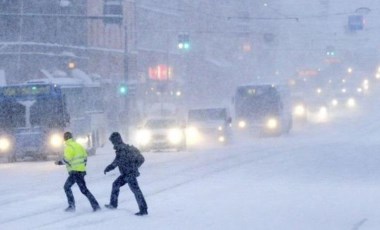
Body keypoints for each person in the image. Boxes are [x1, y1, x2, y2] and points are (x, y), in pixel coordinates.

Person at [104, 132, 148, 216]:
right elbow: (117, 161)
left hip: (129, 174)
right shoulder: (122, 148)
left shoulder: (122, 149)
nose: (112, 143)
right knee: (116, 184)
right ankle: (113, 204)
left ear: (115, 140)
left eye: (112, 141)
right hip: (126, 173)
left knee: (136, 191)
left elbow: (117, 161)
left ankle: (143, 210)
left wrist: (133, 167)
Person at [55, 132, 101, 212]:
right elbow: (85, 157)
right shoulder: (78, 145)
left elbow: (67, 159)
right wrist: (82, 167)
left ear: (65, 139)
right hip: (80, 171)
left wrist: (59, 163)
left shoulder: (69, 147)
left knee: (68, 187)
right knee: (83, 190)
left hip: (75, 172)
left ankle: (72, 206)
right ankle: (95, 205)